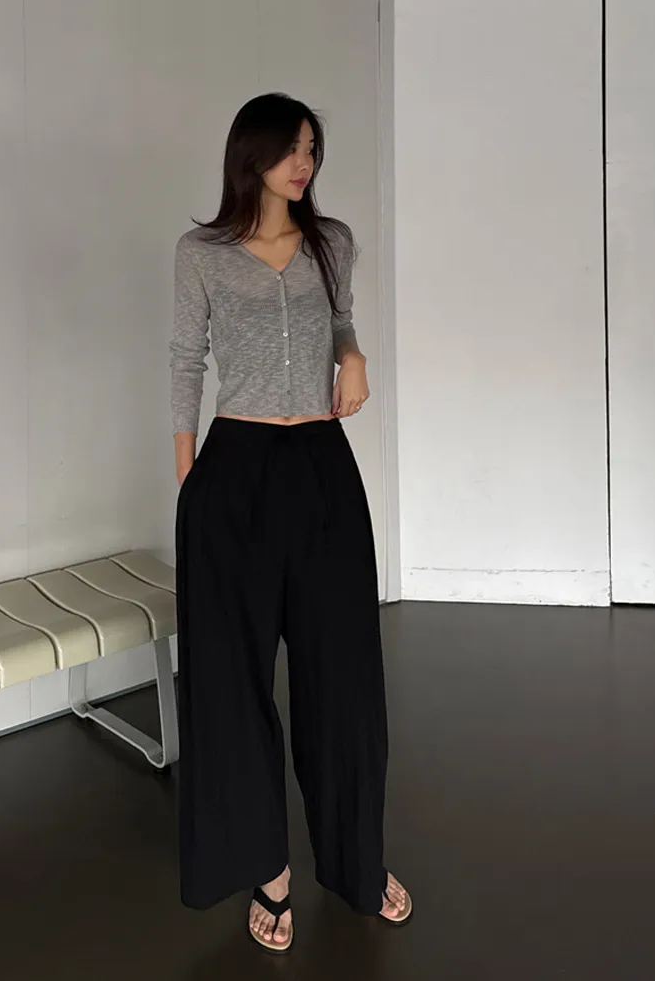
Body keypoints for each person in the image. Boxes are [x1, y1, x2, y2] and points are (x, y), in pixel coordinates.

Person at [170, 92, 412, 954]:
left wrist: (354, 353)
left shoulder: (330, 243)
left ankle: (356, 860)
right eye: (289, 148)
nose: (303, 162)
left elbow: (340, 322)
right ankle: (266, 871)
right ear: (252, 156)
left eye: (311, 148)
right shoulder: (201, 254)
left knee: (342, 675)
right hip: (233, 471)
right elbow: (184, 359)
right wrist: (189, 480)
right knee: (233, 683)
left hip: (319, 467)